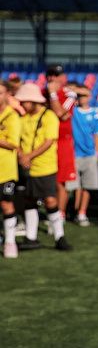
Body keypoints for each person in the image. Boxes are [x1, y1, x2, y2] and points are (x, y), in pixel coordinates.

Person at [15, 83, 71, 251]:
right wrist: (21, 155)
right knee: (30, 200)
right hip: (27, 168)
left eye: (25, 101)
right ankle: (31, 237)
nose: (22, 104)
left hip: (45, 167)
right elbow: (16, 140)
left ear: (33, 101)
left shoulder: (49, 116)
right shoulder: (23, 118)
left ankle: (59, 236)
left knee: (50, 200)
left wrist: (28, 156)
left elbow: (48, 141)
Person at [45, 65, 78, 220]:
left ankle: (60, 214)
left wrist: (52, 94)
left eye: (55, 75)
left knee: (60, 180)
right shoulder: (41, 92)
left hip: (62, 141)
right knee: (45, 178)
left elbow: (59, 113)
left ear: (63, 77)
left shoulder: (69, 94)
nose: (52, 78)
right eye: (50, 74)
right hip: (44, 140)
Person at [68, 86, 98, 227]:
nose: (82, 98)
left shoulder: (94, 114)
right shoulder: (74, 111)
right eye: (79, 95)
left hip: (90, 154)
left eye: (84, 95)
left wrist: (97, 153)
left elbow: (97, 135)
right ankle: (74, 210)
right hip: (74, 154)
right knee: (75, 186)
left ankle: (82, 212)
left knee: (88, 186)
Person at [1, 81, 21, 258]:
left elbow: (13, 143)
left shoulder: (12, 116)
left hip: (5, 170)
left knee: (6, 204)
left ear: (7, 94)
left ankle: (10, 241)